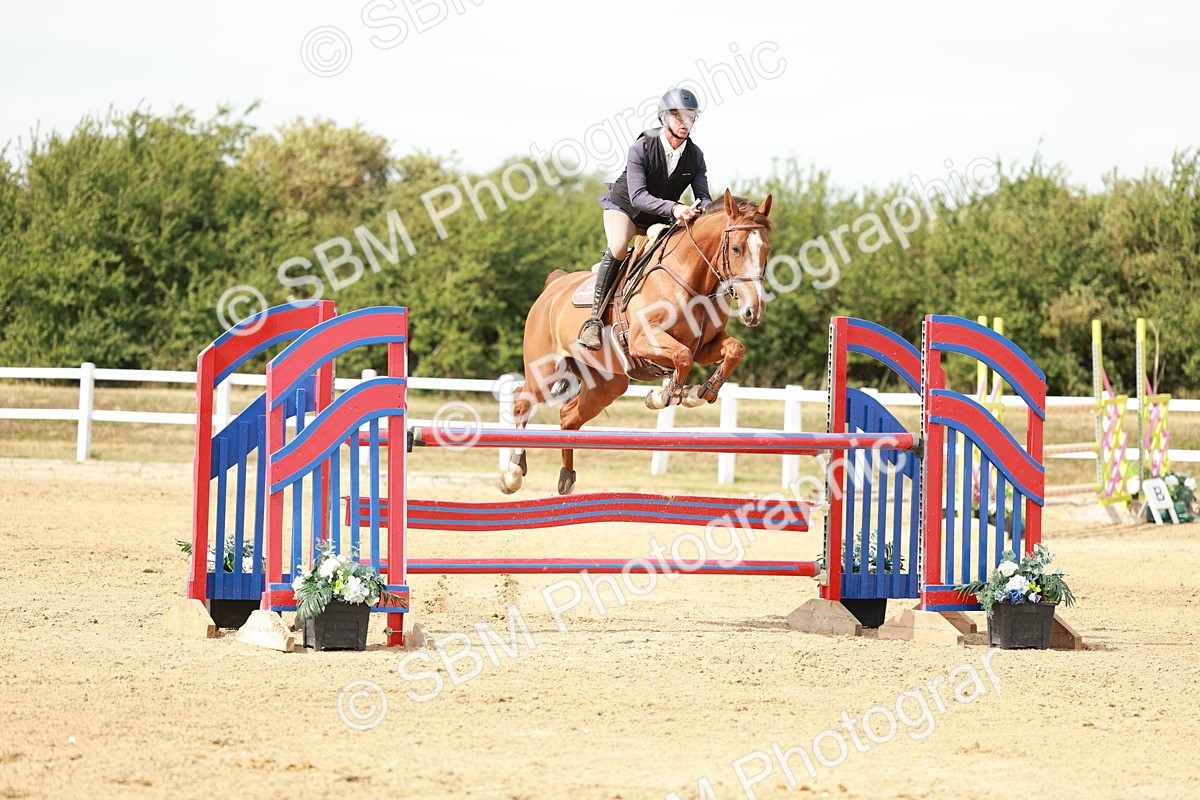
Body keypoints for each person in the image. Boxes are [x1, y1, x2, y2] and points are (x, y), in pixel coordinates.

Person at [577, 87, 713, 350]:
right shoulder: (641, 147)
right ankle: (593, 321)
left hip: (658, 217)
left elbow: (704, 197)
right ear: (663, 118)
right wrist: (675, 208)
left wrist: (710, 215)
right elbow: (638, 196)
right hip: (626, 208)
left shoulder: (695, 156)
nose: (685, 122)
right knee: (618, 247)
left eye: (690, 116)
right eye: (678, 116)